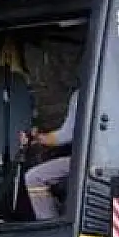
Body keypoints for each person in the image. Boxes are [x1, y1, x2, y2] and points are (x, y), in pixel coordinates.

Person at [22, 88, 78, 220]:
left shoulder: (84, 92)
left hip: (91, 162)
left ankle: (49, 223)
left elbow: (66, 135)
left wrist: (37, 138)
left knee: (34, 178)